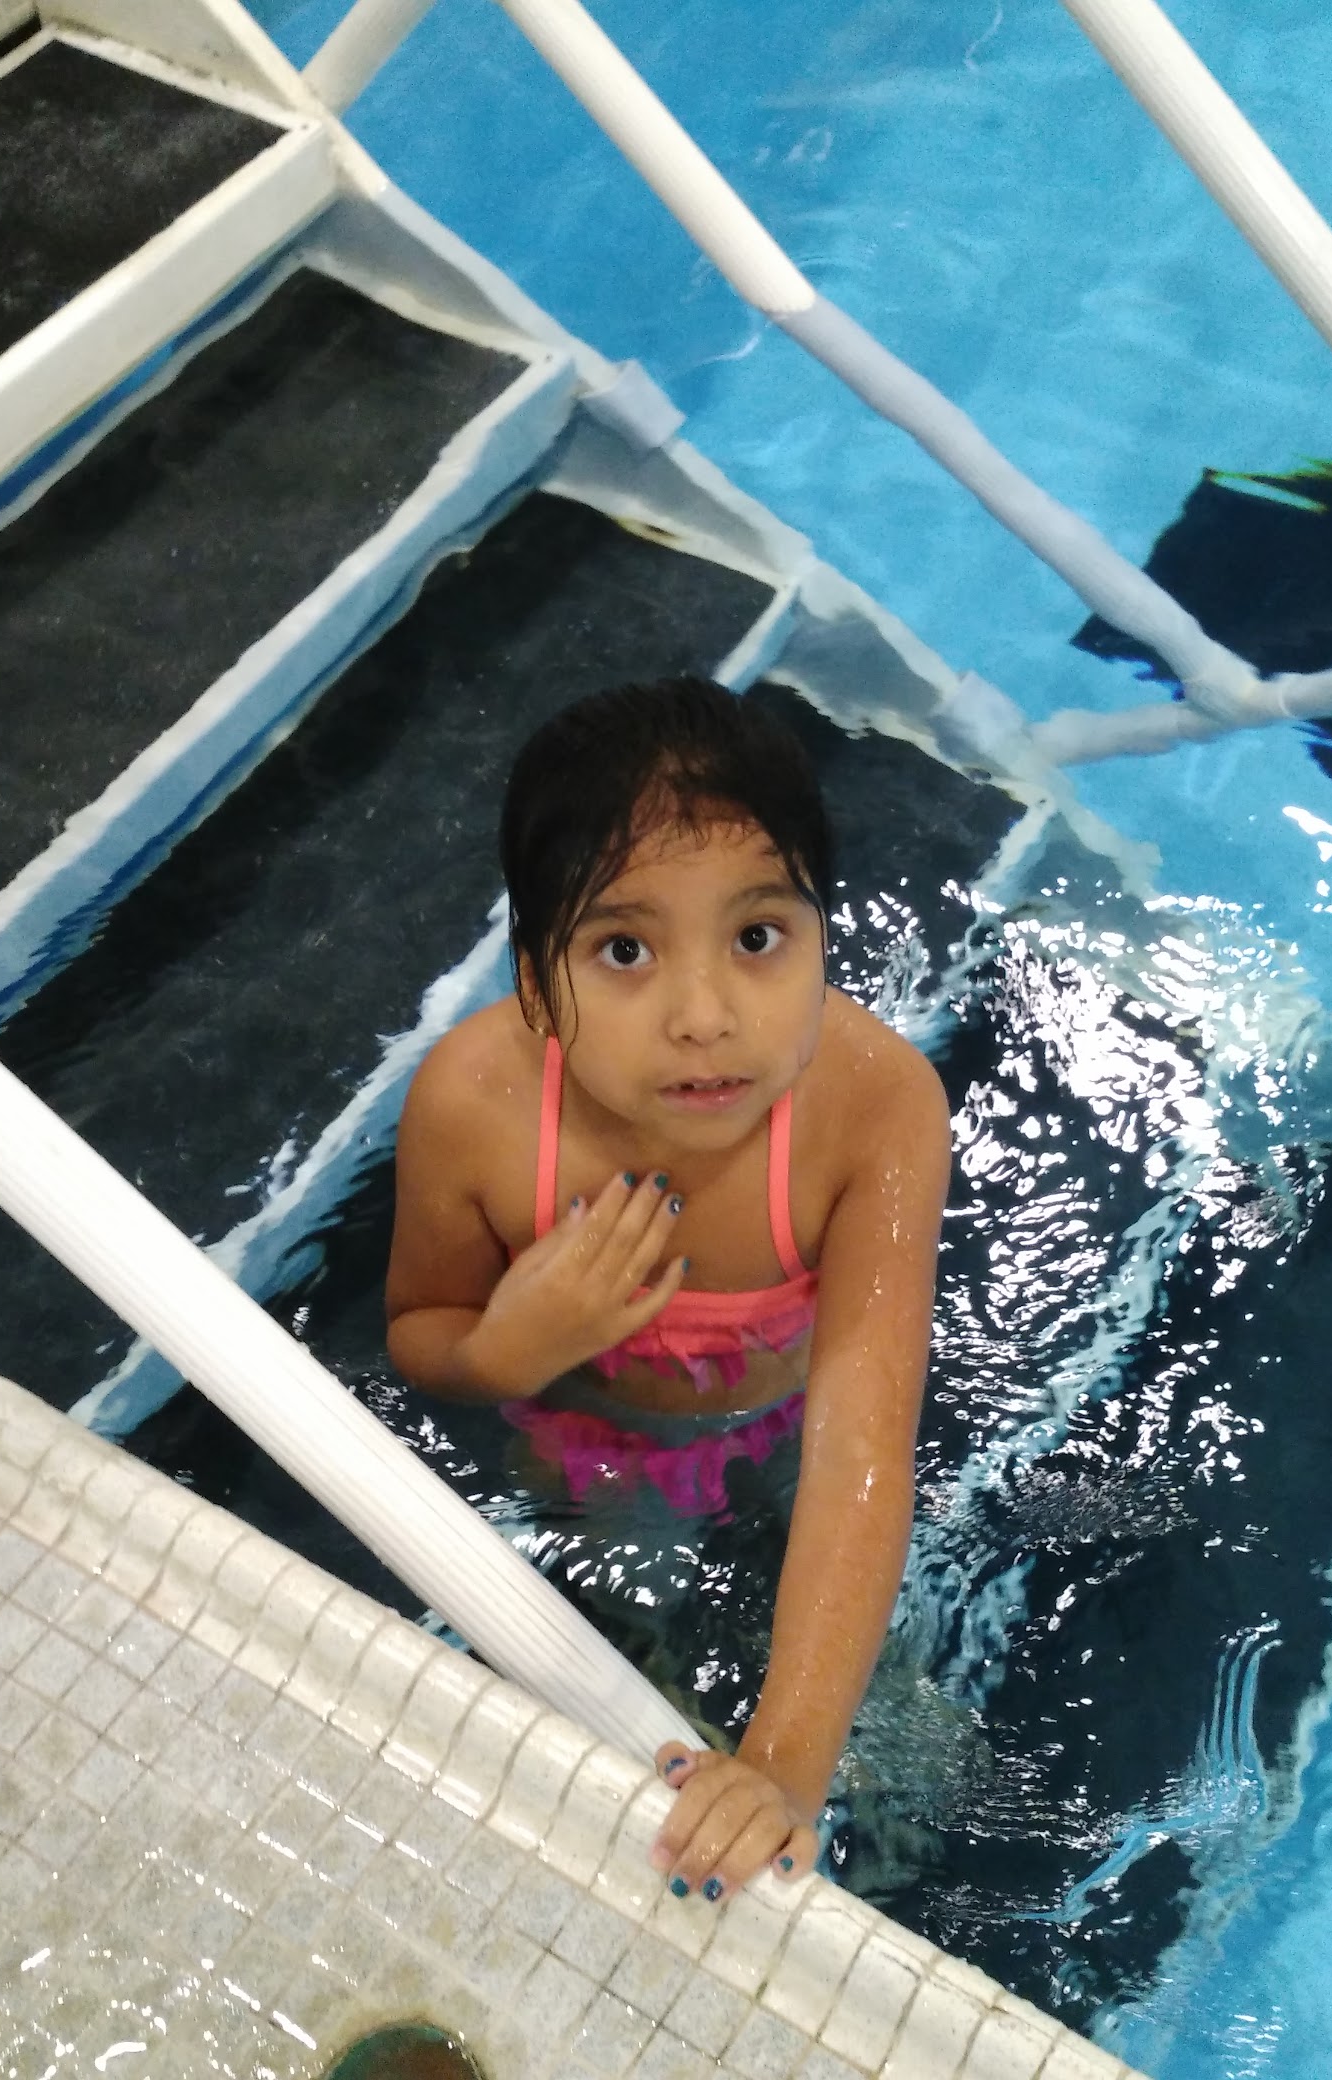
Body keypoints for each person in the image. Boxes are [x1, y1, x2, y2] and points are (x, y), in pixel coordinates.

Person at [386, 676, 950, 1899]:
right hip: (592, 1441)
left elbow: (863, 1447)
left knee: (886, 1697)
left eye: (757, 938)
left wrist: (787, 1768)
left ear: (822, 938)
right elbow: (419, 1332)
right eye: (624, 949)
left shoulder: (877, 1107)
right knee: (625, 1653)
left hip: (794, 1424)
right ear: (534, 983)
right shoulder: (475, 1107)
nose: (704, 1017)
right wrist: (507, 1352)